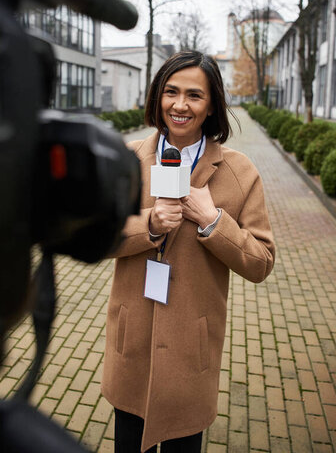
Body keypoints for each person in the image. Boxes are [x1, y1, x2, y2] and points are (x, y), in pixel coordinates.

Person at [101, 51, 275, 453]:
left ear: (211, 104)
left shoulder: (240, 171)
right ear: (157, 97)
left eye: (194, 95)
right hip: (132, 344)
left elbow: (261, 262)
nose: (180, 105)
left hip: (190, 350)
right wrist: (149, 224)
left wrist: (214, 221)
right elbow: (99, 237)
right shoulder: (126, 160)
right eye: (171, 92)